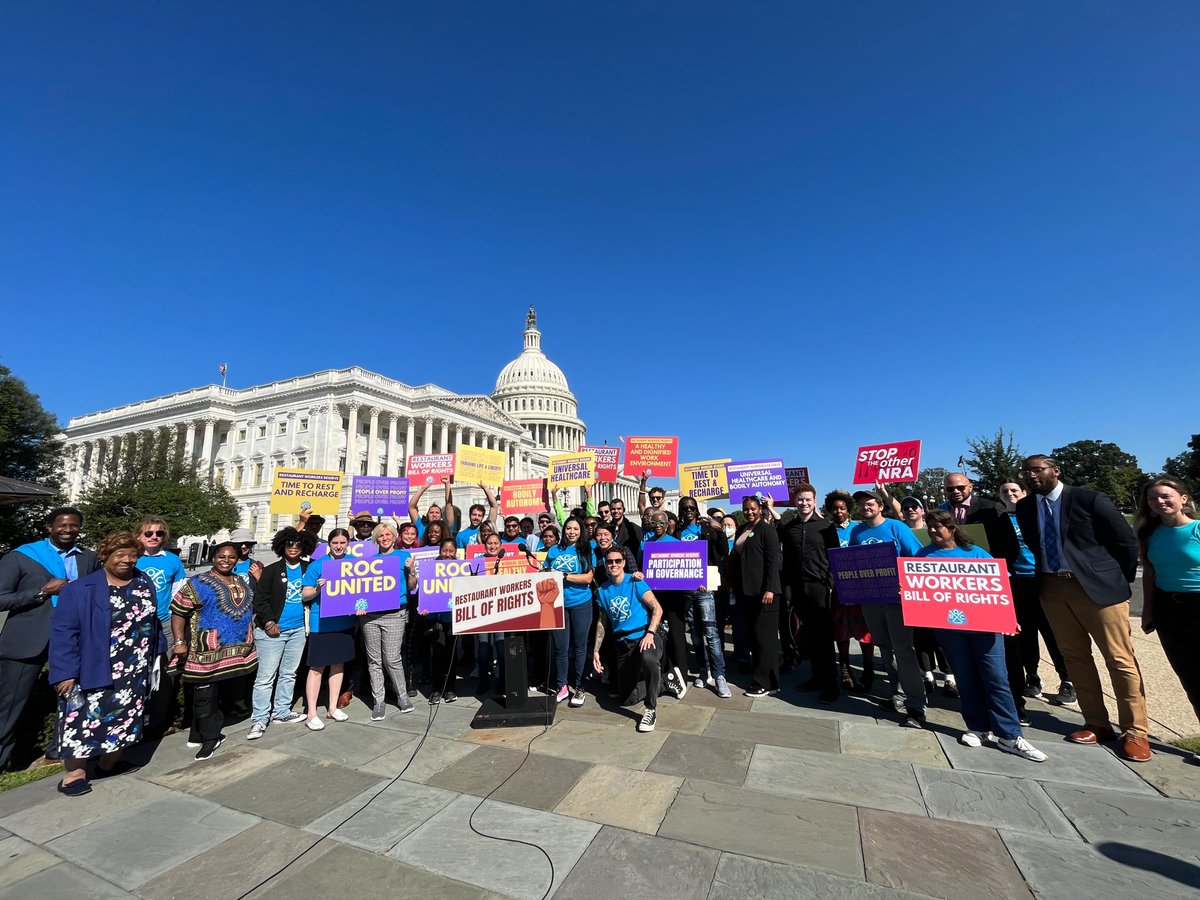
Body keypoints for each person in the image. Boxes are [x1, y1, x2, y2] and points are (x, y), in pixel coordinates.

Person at [1016, 454, 1149, 762]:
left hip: (1097, 590)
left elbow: (1125, 543)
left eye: (1037, 470)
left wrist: (1115, 581)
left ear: (1055, 470)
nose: (1031, 476)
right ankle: (1097, 723)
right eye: (1026, 472)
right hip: (1052, 587)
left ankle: (1136, 731)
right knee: (1075, 657)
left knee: (1119, 659)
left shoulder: (1089, 499)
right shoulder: (1025, 507)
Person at [916, 511, 1047, 762]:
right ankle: (977, 727)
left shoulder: (974, 553)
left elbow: (1001, 583)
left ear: (952, 528)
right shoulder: (923, 556)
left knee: (996, 678)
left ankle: (1010, 735)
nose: (933, 530)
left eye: (939, 526)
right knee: (966, 678)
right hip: (949, 629)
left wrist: (1009, 617)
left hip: (983, 627)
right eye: (930, 526)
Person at [50, 532, 161, 795]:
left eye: (132, 555)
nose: (127, 560)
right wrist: (65, 672)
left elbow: (152, 622)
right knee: (80, 720)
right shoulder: (80, 589)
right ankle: (74, 774)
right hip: (92, 665)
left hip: (133, 668)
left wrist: (158, 655)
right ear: (105, 556)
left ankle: (108, 763)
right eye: (120, 555)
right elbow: (64, 632)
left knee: (125, 716)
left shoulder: (143, 582)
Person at [0, 507, 98, 771]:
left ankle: (57, 752)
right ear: (49, 527)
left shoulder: (88, 558)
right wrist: (41, 591)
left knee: (70, 699)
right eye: (62, 525)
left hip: (70, 639)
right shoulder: (22, 556)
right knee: (9, 704)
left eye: (74, 526)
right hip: (27, 640)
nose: (68, 530)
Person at [170, 541, 258, 760]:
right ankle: (211, 737)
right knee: (204, 694)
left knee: (220, 693)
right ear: (213, 558)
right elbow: (178, 611)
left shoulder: (240, 580)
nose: (226, 561)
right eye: (221, 556)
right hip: (206, 650)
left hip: (237, 650)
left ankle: (198, 732)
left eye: (231, 557)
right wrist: (179, 641)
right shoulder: (199, 582)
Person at [850, 489, 927, 727]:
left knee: (903, 650)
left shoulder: (897, 528)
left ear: (880, 505)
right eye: (861, 504)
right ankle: (897, 694)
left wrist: (908, 584)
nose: (865, 507)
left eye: (869, 503)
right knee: (884, 648)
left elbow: (916, 558)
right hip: (871, 599)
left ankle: (916, 705)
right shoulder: (857, 531)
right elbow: (853, 561)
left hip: (896, 599)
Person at [1136, 478, 1200, 763]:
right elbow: (1149, 574)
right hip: (1168, 611)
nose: (1159, 502)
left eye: (1165, 496)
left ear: (1183, 498)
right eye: (1152, 499)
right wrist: (1148, 610)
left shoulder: (1197, 530)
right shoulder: (1149, 533)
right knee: (1190, 676)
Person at [998, 480, 1073, 713]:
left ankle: (1067, 680)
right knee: (1025, 633)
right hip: (1015, 581)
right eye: (1004, 492)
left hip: (1042, 578)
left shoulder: (1035, 515)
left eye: (1014, 490)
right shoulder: (1000, 520)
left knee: (1051, 631)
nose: (1009, 494)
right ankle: (1032, 676)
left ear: (1024, 493)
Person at [247, 527, 315, 739]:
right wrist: (268, 622)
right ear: (281, 546)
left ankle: (282, 711)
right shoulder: (271, 570)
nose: (293, 548)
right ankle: (259, 718)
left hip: (298, 629)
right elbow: (260, 599)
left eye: (298, 544)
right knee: (266, 676)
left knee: (289, 673)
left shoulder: (309, 567)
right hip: (273, 630)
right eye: (289, 544)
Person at [778, 483, 841, 702]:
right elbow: (785, 562)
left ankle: (830, 685)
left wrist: (831, 584)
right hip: (797, 588)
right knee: (809, 637)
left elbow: (835, 557)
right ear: (795, 502)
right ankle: (815, 676)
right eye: (800, 500)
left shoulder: (826, 527)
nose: (804, 503)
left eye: (808, 500)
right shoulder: (790, 528)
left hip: (820, 587)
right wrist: (787, 588)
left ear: (814, 501)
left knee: (824, 638)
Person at [593, 547, 665, 733]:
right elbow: (602, 622)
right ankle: (664, 682)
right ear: (606, 565)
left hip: (644, 635)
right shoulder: (602, 591)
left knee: (649, 660)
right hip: (622, 643)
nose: (614, 564)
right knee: (627, 698)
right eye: (610, 562)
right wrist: (595, 651)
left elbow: (657, 609)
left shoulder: (635, 581)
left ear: (624, 562)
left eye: (618, 561)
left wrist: (650, 633)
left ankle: (651, 709)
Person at [135, 516, 189, 738]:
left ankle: (157, 722)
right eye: (149, 533)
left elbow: (179, 593)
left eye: (159, 533)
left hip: (164, 622)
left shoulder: (172, 561)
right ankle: (134, 722)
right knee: (136, 673)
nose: (154, 537)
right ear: (139, 535)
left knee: (165, 676)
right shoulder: (131, 558)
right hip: (135, 625)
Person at [300, 528, 357, 730]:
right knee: (316, 668)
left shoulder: (355, 563)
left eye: (342, 542)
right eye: (335, 543)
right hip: (322, 623)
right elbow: (305, 594)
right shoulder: (318, 565)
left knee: (338, 665)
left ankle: (332, 707)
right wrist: (317, 589)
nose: (339, 546)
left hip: (345, 623)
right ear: (329, 544)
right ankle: (311, 713)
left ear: (347, 543)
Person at [362, 521, 418, 719]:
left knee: (392, 658)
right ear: (376, 539)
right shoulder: (369, 560)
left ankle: (402, 696)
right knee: (374, 660)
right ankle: (379, 700)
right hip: (370, 617)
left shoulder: (404, 556)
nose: (384, 538)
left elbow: (412, 587)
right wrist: (357, 606)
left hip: (395, 613)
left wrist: (411, 571)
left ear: (395, 537)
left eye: (388, 535)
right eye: (381, 535)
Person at [677, 497, 731, 699]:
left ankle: (719, 676)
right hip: (686, 589)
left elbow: (723, 550)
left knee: (711, 632)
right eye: (685, 508)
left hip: (704, 588)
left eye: (692, 507)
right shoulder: (678, 531)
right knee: (696, 634)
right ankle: (703, 670)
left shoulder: (705, 530)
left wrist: (718, 529)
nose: (689, 510)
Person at [728, 496, 782, 696]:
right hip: (747, 591)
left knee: (765, 639)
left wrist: (770, 588)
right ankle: (762, 677)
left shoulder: (766, 529)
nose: (749, 512)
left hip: (764, 592)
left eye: (752, 508)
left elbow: (772, 561)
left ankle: (766, 682)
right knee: (755, 637)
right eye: (745, 509)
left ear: (760, 508)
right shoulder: (743, 529)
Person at [824, 490, 875, 692]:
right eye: (835, 509)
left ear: (848, 509)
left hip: (859, 587)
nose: (838, 512)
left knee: (864, 630)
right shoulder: (827, 530)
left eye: (842, 508)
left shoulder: (858, 529)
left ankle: (868, 667)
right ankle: (844, 666)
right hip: (836, 588)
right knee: (841, 630)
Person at [546, 517, 595, 706]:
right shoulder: (553, 550)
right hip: (557, 604)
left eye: (575, 528)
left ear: (581, 531)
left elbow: (588, 578)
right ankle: (562, 685)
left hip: (581, 602)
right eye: (568, 528)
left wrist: (565, 576)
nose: (572, 532)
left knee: (580, 646)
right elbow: (546, 573)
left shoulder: (586, 550)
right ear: (564, 530)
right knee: (560, 648)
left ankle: (580, 686)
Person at [420, 538, 461, 704]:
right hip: (435, 619)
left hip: (453, 618)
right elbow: (426, 593)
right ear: (440, 551)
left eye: (451, 551)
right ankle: (436, 689)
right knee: (437, 653)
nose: (448, 554)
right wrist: (425, 610)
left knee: (451, 653)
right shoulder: (431, 569)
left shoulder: (461, 568)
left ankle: (450, 688)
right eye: (445, 551)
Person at [455, 484, 500, 548]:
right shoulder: (461, 536)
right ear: (469, 515)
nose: (476, 518)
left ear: (483, 517)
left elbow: (494, 506)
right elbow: (461, 556)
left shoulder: (487, 527)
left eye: (479, 515)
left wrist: (485, 488)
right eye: (474, 515)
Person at [408, 477, 453, 542]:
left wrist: (447, 484)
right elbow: (411, 507)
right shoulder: (421, 526)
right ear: (427, 515)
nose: (434, 515)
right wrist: (422, 489)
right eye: (431, 512)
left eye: (437, 513)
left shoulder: (445, 527)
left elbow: (449, 506)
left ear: (441, 516)